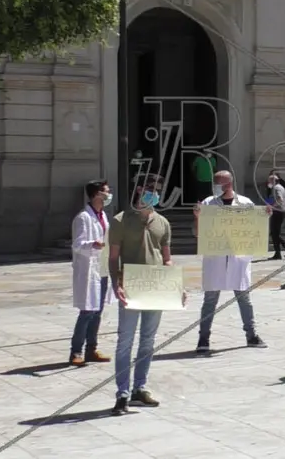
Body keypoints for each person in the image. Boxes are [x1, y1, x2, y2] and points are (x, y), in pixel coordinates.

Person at [108, 174, 176, 415]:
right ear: (139, 190)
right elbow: (113, 256)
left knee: (148, 340)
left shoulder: (163, 222)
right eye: (151, 189)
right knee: (125, 341)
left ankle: (140, 388)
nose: (155, 193)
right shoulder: (120, 220)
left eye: (158, 190)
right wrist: (117, 283)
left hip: (155, 287)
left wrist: (175, 286)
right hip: (131, 285)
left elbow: (167, 258)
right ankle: (122, 393)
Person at [193, 170, 268, 355]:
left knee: (244, 299)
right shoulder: (208, 204)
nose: (217, 185)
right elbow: (197, 233)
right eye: (215, 182)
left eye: (221, 182)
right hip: (215, 258)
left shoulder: (245, 204)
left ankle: (251, 335)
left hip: (238, 258)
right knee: (210, 300)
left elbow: (255, 230)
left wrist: (265, 217)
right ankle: (203, 338)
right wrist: (197, 217)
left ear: (230, 184)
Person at [68, 180, 112, 367]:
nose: (109, 195)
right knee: (87, 311)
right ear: (96, 195)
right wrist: (93, 244)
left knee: (98, 311)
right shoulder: (83, 217)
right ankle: (76, 351)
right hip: (88, 269)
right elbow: (77, 245)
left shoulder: (102, 215)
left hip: (101, 268)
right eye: (106, 192)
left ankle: (91, 349)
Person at [264, 170, 285, 261]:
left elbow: (280, 199)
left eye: (269, 181)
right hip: (280, 211)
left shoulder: (276, 188)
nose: (268, 183)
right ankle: (279, 252)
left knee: (274, 233)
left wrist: (271, 206)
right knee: (274, 233)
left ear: (273, 181)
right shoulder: (280, 187)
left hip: (277, 212)